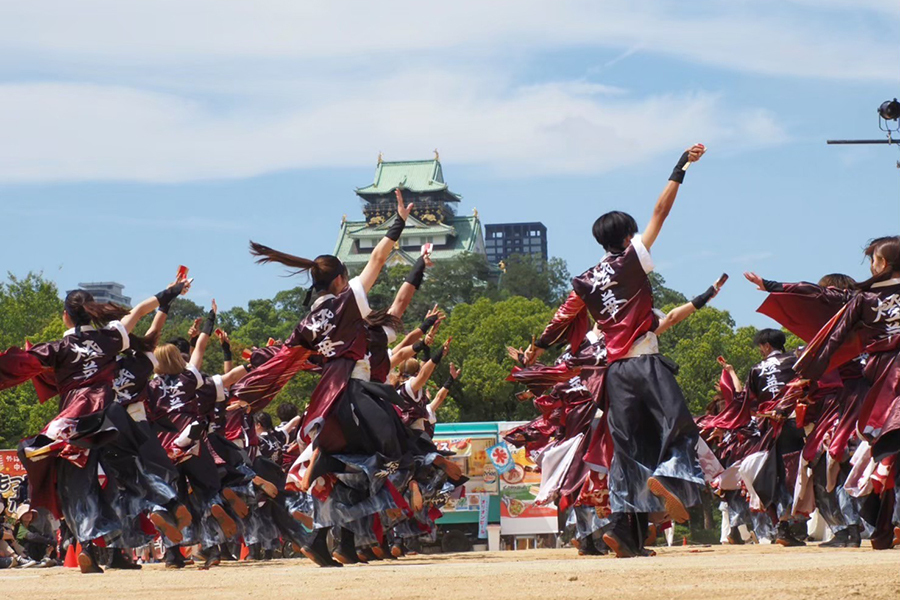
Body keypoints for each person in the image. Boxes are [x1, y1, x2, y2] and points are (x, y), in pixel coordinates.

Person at [523, 143, 712, 558]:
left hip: (614, 374)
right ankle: (671, 479)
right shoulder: (632, 259)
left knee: (628, 454)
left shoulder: (586, 280)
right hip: (646, 364)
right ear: (626, 236)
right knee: (678, 427)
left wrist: (536, 349)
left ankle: (626, 535)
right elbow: (660, 213)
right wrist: (679, 166)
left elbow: (561, 318)